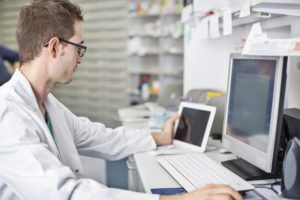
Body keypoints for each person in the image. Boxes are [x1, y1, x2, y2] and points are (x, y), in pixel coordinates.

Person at [0, 0, 243, 200]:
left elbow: (101, 137)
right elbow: (65, 194)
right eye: (78, 47)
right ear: (53, 48)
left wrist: (161, 137)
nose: (80, 58)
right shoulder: (8, 115)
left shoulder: (49, 105)